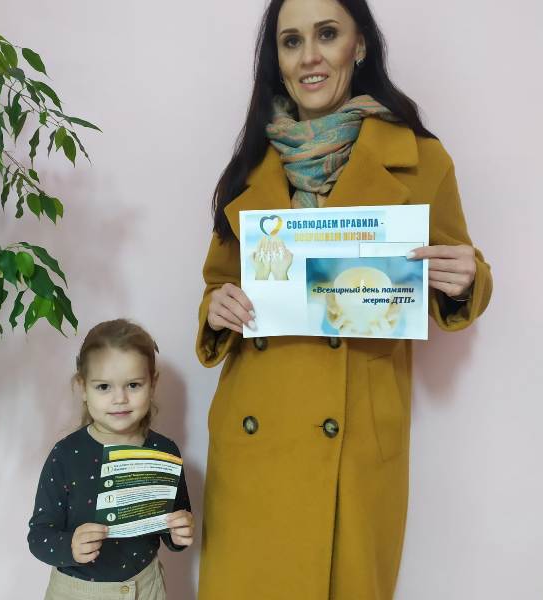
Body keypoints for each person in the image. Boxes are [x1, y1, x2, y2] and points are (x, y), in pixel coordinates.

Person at [195, 0, 492, 599]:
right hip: (256, 444)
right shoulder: (248, 167)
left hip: (355, 443)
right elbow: (216, 286)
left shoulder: (421, 159)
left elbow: (462, 269)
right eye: (291, 41)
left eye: (327, 34)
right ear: (276, 59)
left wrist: (467, 279)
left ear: (359, 46)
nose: (309, 56)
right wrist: (217, 310)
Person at [28, 319, 194, 600]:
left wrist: (179, 533)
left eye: (133, 385)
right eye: (104, 386)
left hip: (146, 586)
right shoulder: (65, 455)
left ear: (152, 384)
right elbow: (39, 536)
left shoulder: (164, 451)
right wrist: (70, 546)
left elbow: (171, 526)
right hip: (77, 591)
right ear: (83, 387)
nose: (120, 399)